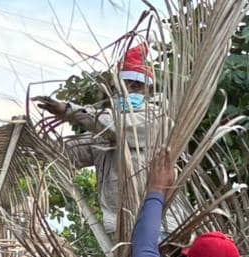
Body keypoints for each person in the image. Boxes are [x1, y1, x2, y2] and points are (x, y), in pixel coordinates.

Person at [35, 44, 164, 244]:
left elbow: (117, 128)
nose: (130, 91)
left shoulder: (156, 118)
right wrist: (34, 141)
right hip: (120, 226)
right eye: (126, 85)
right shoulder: (103, 130)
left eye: (137, 86)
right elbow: (69, 153)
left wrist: (70, 111)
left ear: (148, 90)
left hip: (157, 226)